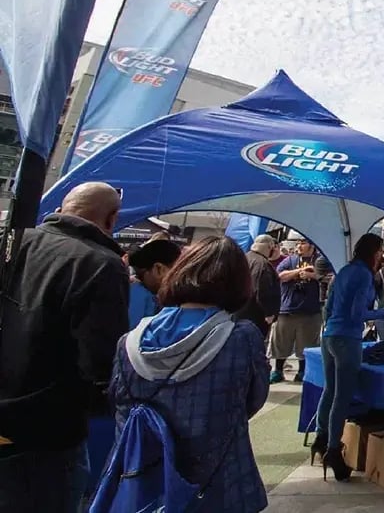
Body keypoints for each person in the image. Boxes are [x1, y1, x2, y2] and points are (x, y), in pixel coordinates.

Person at [108, 236, 269, 511]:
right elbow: (253, 400)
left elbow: (119, 404)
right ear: (239, 283)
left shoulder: (129, 341)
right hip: (220, 484)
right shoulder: (241, 337)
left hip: (145, 483)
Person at [0, 182, 129, 512]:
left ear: (62, 209)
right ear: (111, 218)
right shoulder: (102, 265)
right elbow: (100, 360)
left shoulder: (12, 241)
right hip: (46, 430)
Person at [314, 233, 384, 481]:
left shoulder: (343, 271)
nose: (382, 255)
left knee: (329, 390)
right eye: (380, 250)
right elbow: (357, 314)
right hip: (347, 339)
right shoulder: (364, 275)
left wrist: (332, 326)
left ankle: (320, 439)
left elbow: (328, 307)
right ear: (374, 252)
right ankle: (333, 451)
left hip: (329, 335)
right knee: (342, 397)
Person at [269, 238, 324, 383]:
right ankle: (278, 370)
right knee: (281, 342)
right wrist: (298, 271)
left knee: (307, 344)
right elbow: (280, 276)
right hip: (287, 309)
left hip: (310, 310)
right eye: (298, 243)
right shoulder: (290, 260)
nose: (299, 246)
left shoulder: (319, 261)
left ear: (312, 246)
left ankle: (302, 372)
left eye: (303, 243)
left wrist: (311, 275)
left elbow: (327, 276)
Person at [234, 234, 281, 340]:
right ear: (269, 247)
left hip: (237, 311)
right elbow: (263, 290)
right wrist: (269, 313)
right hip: (255, 315)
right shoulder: (262, 264)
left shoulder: (244, 258)